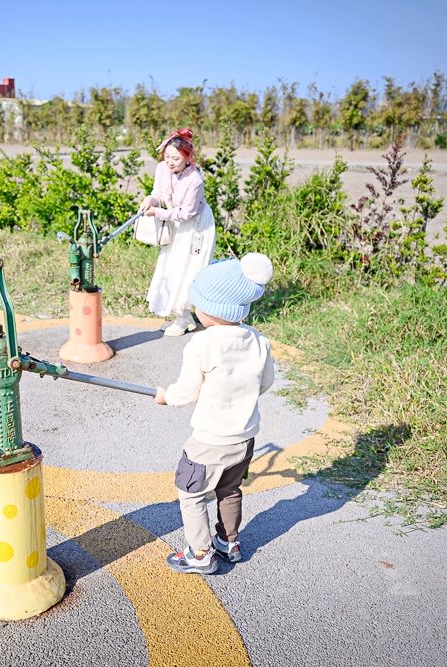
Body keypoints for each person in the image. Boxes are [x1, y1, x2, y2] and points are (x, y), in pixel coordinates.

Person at [153, 253, 275, 574]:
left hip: (210, 440)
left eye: (198, 302)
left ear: (210, 311)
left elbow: (185, 392)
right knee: (229, 489)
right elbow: (266, 381)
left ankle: (200, 552)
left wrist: (166, 397)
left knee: (191, 492)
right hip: (245, 437)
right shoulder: (259, 341)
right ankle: (227, 541)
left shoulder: (202, 345)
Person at [139, 128, 216, 337]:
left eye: (175, 158)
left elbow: (186, 214)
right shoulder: (162, 169)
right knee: (170, 266)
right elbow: (157, 193)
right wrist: (150, 200)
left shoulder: (195, 180)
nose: (170, 162)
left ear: (187, 158)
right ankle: (184, 317)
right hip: (174, 222)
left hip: (196, 227)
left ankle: (182, 318)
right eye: (166, 157)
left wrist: (158, 212)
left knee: (187, 270)